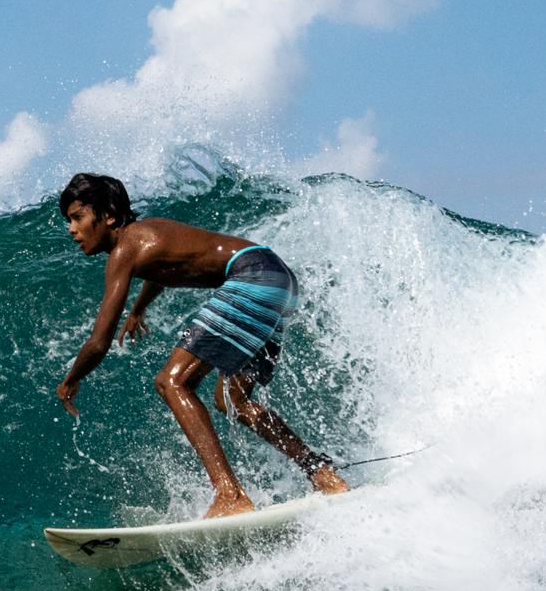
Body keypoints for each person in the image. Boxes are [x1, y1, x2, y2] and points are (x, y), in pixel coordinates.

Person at [50, 172, 350, 518]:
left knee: (171, 381)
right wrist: (139, 309)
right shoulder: (147, 234)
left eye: (77, 218)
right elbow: (169, 265)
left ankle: (230, 494)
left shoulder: (124, 250)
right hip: (279, 279)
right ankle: (322, 473)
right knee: (231, 400)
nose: (71, 229)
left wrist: (72, 379)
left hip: (251, 275)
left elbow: (99, 341)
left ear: (111, 215)